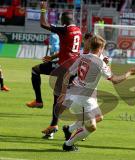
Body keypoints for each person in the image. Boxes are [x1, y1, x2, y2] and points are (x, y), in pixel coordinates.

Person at [58, 35, 135, 151]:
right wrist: (129, 73)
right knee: (92, 127)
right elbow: (115, 80)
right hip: (82, 100)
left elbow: (67, 75)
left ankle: (69, 129)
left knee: (99, 117)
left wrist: (63, 93)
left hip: (79, 94)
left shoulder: (82, 57)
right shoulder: (101, 63)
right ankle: (68, 145)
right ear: (101, 48)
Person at [26, 1, 82, 139]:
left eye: (61, 20)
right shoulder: (78, 31)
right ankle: (52, 128)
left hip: (65, 68)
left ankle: (52, 121)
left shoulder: (65, 29)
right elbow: (69, 50)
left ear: (64, 21)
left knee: (57, 97)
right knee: (58, 96)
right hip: (72, 66)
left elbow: (43, 24)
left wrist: (43, 10)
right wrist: (53, 57)